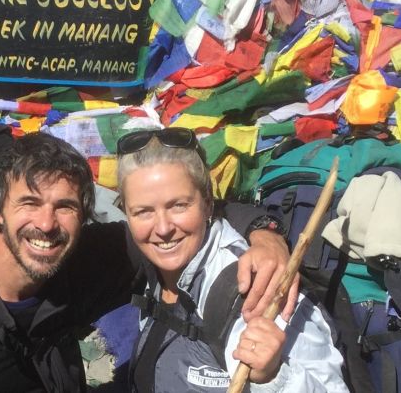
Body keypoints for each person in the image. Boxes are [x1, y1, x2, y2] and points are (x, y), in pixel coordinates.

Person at [0, 131, 295, 392]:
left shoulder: (81, 257)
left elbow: (173, 222)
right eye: (29, 203)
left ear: (84, 215)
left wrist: (265, 233)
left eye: (64, 206)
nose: (46, 225)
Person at [116, 127, 348, 392]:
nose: (163, 228)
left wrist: (273, 377)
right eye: (143, 211)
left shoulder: (254, 286)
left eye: (178, 205)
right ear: (126, 213)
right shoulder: (159, 267)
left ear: (207, 202)